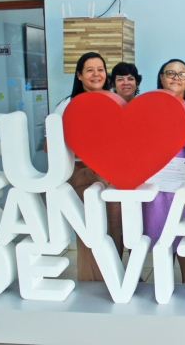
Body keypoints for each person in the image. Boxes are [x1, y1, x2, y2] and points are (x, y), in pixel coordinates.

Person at [54, 52, 123, 281]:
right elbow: (50, 145)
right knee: (92, 232)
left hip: (112, 175)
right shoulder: (67, 105)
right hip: (84, 175)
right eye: (90, 70)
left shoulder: (113, 101)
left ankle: (114, 279)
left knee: (114, 229)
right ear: (79, 75)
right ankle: (92, 284)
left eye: (100, 69)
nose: (96, 74)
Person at [142, 59, 185, 283]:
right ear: (161, 77)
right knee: (160, 229)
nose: (176, 78)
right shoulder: (148, 104)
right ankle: (164, 281)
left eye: (182, 74)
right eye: (171, 73)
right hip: (157, 178)